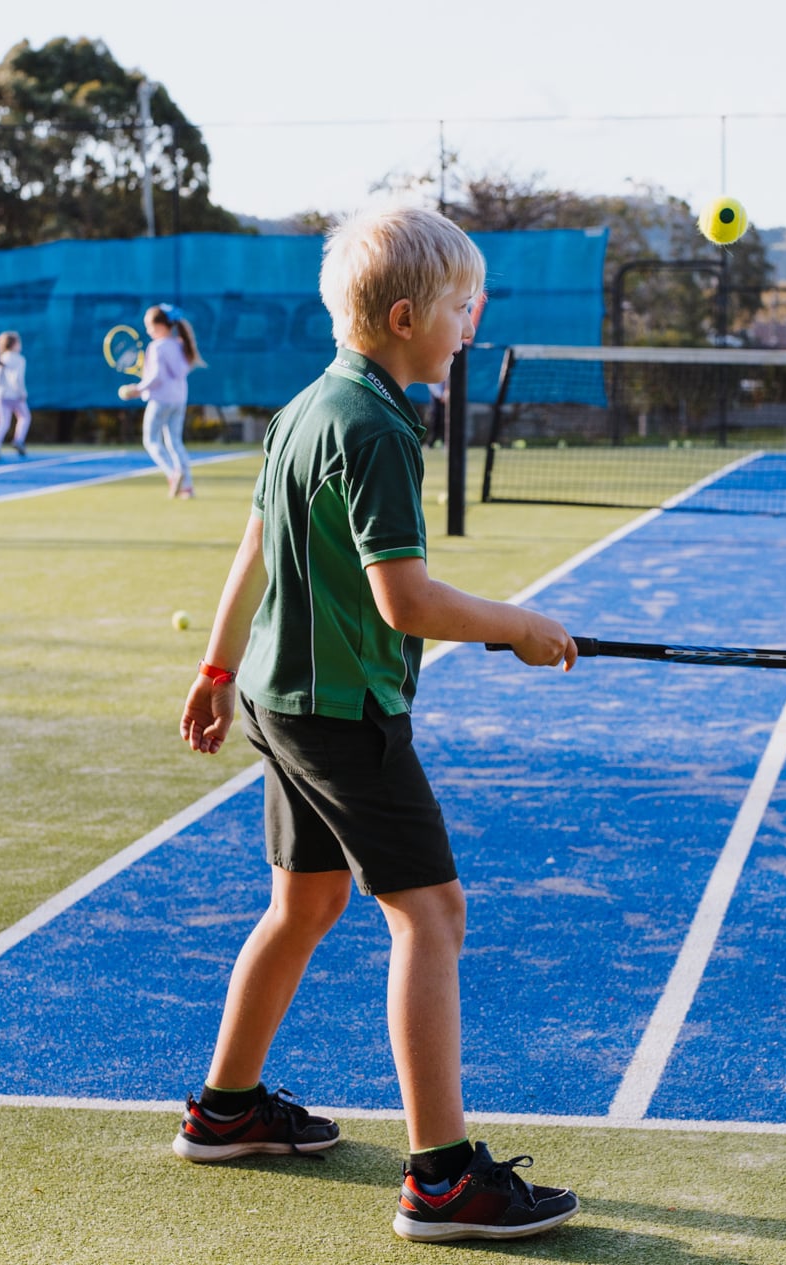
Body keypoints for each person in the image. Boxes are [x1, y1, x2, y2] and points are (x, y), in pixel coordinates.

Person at [174, 206, 581, 1244]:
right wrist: (518, 628)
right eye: (458, 307)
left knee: (306, 903)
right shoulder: (379, 429)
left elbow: (251, 551)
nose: (470, 323)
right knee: (431, 912)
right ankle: (444, 1177)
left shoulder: (309, 407)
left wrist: (218, 668)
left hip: (277, 697)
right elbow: (405, 600)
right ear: (405, 317)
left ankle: (227, 1107)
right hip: (344, 712)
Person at [118, 304, 205, 497]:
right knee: (175, 442)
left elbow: (156, 377)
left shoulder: (157, 347)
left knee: (151, 440)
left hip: (160, 401)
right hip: (179, 400)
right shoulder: (180, 345)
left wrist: (137, 389)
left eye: (149, 326)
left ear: (160, 325)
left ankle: (173, 474)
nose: (148, 331)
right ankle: (187, 488)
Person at [0, 331, 30, 461]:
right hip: (15, 396)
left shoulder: (1, 358)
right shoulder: (19, 359)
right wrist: (21, 392)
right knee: (25, 417)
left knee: (3, 423)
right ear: (14, 344)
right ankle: (19, 440)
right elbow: (16, 378)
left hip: (0, 396)